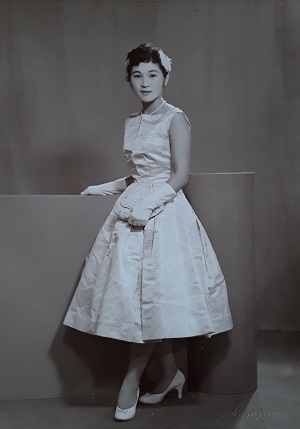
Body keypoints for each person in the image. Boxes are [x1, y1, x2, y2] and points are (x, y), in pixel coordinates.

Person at [63, 42, 233, 422]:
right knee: (136, 298)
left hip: (164, 211)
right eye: (137, 76)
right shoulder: (131, 121)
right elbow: (137, 175)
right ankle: (171, 375)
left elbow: (180, 175)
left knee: (151, 296)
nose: (145, 82)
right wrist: (103, 188)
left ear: (165, 77)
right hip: (132, 209)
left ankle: (132, 378)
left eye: (152, 74)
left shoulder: (176, 118)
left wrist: (148, 206)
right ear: (129, 80)